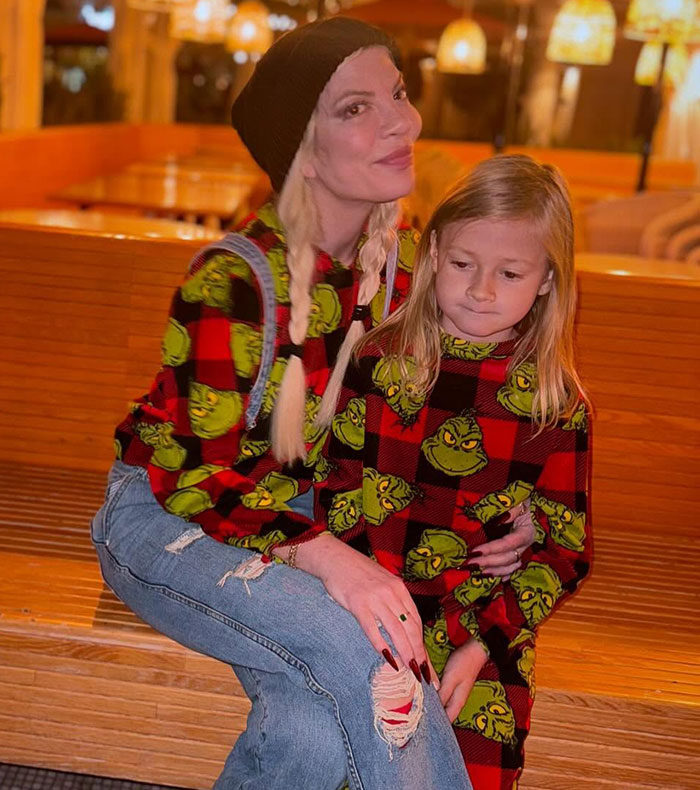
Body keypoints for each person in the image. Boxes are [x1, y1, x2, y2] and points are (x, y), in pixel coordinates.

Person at [91, 17, 533, 790]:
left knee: (314, 721)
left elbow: (473, 419)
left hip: (306, 514)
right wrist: (330, 559)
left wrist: (515, 515)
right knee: (372, 650)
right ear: (303, 149)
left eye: (396, 94)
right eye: (356, 109)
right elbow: (190, 475)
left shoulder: (408, 275)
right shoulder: (231, 282)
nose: (401, 120)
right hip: (168, 517)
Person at [315, 154, 592, 790]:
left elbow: (565, 553)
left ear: (548, 281)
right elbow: (337, 496)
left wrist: (478, 645)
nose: (481, 290)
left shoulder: (557, 405)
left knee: (468, 771)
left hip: (484, 625)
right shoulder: (379, 363)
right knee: (340, 755)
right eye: (464, 264)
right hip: (367, 612)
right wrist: (377, 624)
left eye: (510, 272)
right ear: (434, 251)